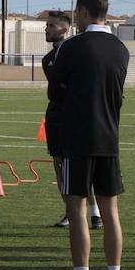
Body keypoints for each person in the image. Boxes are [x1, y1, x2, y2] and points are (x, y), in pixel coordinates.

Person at [47, 0, 127, 270]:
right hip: (110, 139)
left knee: (77, 210)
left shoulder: (72, 47)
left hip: (77, 139)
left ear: (81, 11)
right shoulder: (121, 49)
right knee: (110, 212)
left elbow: (56, 92)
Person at [42, 12, 102, 230]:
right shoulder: (47, 60)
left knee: (83, 167)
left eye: (51, 25)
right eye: (46, 25)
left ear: (64, 30)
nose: (46, 29)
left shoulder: (77, 52)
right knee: (59, 165)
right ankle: (70, 211)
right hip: (56, 118)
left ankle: (95, 213)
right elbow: (56, 90)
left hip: (77, 119)